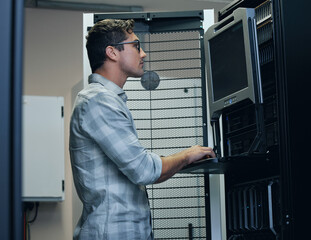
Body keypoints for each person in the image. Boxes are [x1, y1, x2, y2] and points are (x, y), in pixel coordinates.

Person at [69, 19, 215, 240]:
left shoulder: (109, 100)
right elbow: (143, 170)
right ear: (112, 52)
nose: (143, 53)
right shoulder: (97, 101)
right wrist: (186, 155)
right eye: (136, 46)